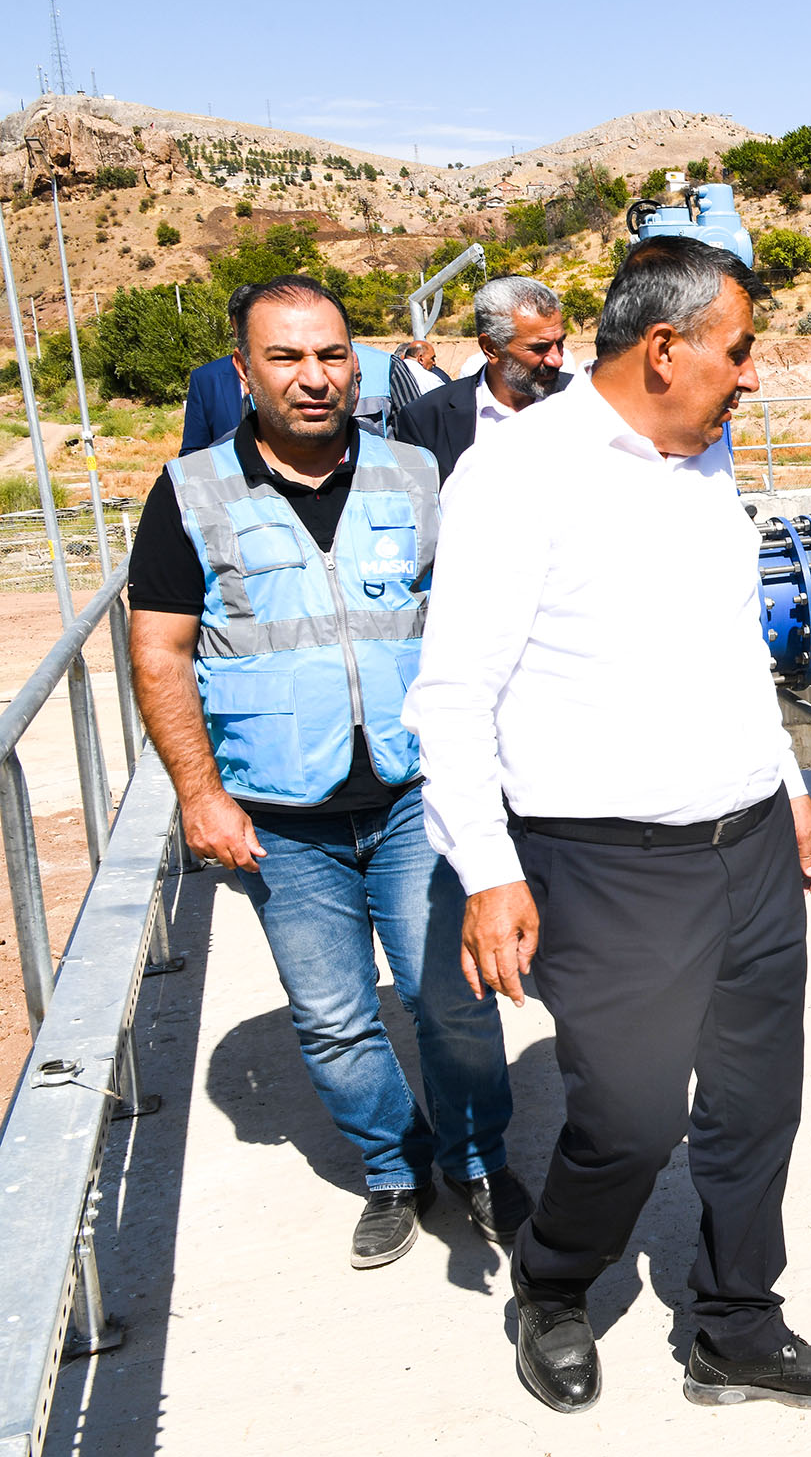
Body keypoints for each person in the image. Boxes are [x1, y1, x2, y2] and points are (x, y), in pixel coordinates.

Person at [405, 236, 811, 1417]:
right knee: (625, 1117)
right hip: (605, 863)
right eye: (739, 349)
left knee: (758, 1100)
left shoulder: (703, 459)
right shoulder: (517, 476)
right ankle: (556, 1285)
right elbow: (452, 694)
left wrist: (792, 784)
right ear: (664, 348)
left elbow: (728, 650)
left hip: (752, 842)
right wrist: (487, 871)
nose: (751, 375)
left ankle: (735, 1323)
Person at [127, 273, 526, 1268]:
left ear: (362, 362)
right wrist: (200, 793)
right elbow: (159, 651)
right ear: (243, 371)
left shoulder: (419, 476)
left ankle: (477, 1162)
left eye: (333, 354)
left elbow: (482, 627)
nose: (314, 377)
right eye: (287, 356)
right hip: (280, 815)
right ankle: (394, 1167)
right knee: (336, 1016)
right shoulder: (189, 494)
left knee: (454, 998)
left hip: (415, 800)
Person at [396, 277, 572, 480]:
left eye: (559, 343)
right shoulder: (425, 419)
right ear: (490, 348)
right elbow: (418, 504)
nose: (557, 360)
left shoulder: (586, 400)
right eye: (539, 348)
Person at [175, 288, 252, 455]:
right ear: (233, 326)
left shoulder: (302, 375)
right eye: (244, 325)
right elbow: (192, 452)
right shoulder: (206, 379)